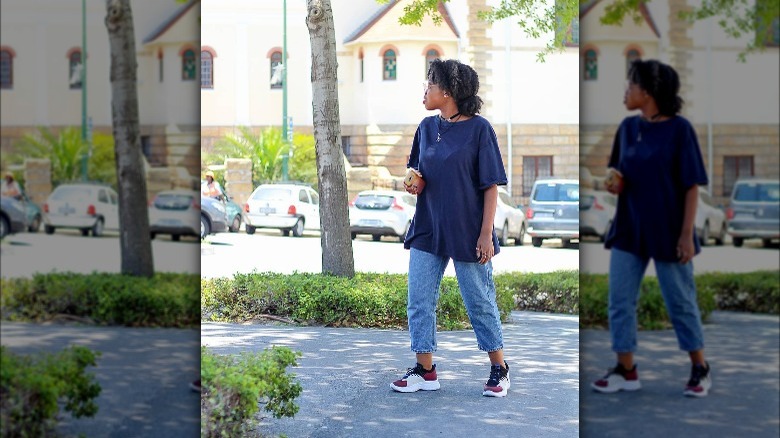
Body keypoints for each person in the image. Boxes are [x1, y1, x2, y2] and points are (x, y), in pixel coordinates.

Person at [591, 59, 712, 397]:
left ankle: (700, 368)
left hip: (670, 231)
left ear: (648, 91)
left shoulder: (680, 130)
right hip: (629, 228)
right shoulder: (628, 128)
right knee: (620, 301)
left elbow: (691, 186)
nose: (625, 91)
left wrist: (687, 235)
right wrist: (615, 183)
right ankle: (626, 370)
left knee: (680, 301)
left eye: (631, 85)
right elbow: (621, 175)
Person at [390, 59, 510, 398]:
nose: (424, 90)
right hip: (428, 227)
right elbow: (421, 173)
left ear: (447, 91)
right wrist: (415, 183)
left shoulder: (480, 130)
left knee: (479, 301)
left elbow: (490, 185)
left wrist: (486, 234)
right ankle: (425, 371)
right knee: (419, 300)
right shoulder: (426, 127)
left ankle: (499, 369)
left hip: (469, 231)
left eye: (429, 84)